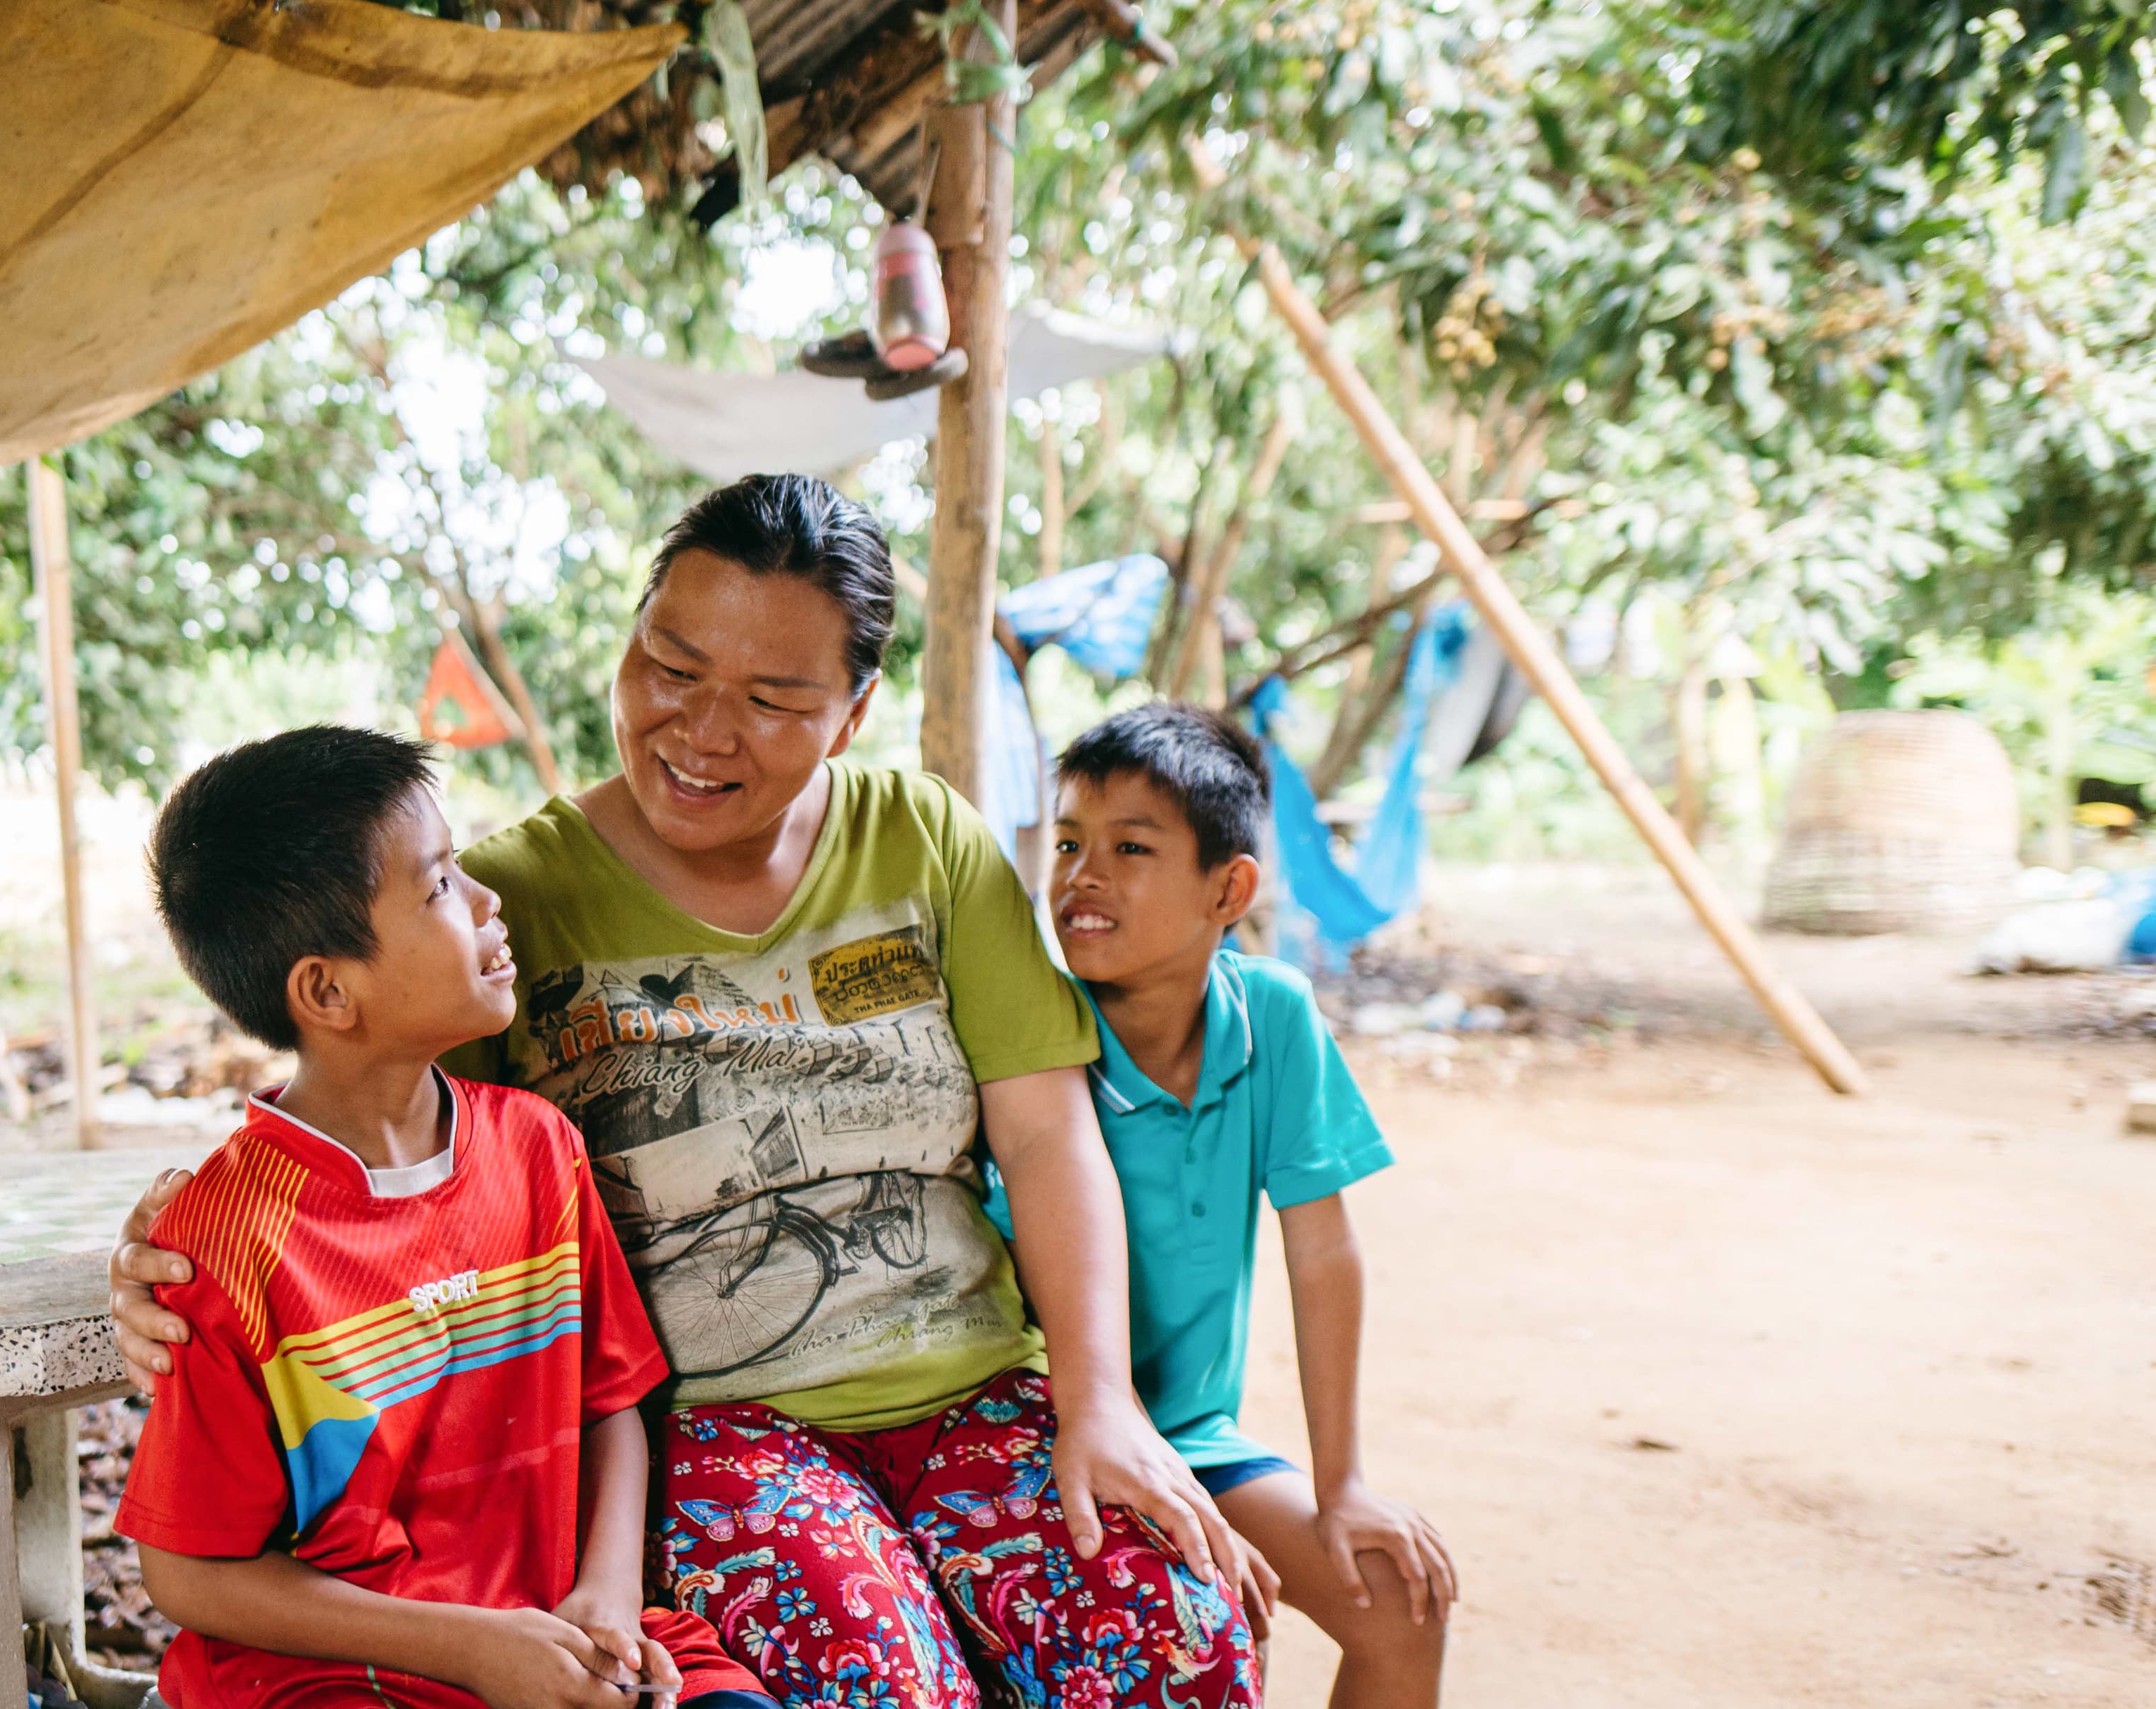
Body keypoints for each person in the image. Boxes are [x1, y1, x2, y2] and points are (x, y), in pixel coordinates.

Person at [112, 476, 1265, 1709]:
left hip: (980, 1388)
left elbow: (1046, 1136)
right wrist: (169, 1245)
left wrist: (1101, 1402)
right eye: (671, 665)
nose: (702, 731)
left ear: (854, 710)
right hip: (722, 1432)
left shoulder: (926, 842)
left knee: (1178, 1634)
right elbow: (369, 1126)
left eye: (773, 701)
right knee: (881, 1680)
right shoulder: (508, 906)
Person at [113, 725, 774, 1709]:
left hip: (558, 1629)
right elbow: (189, 1574)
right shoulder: (224, 1244)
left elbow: (610, 1404)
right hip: (347, 1672)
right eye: (437, 888)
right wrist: (471, 1649)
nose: (486, 901)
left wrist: (604, 1597)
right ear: (328, 990)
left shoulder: (538, 1147)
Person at [1037, 703, 1456, 1708]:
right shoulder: (1036, 1040)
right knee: (1207, 1612)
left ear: (1228, 888)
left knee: (1400, 1601)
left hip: (1197, 1436)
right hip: (1052, 1434)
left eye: (1130, 847)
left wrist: (1343, 1481)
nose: (1081, 876)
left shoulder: (1272, 1016)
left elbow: (1322, 1254)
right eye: (1067, 843)